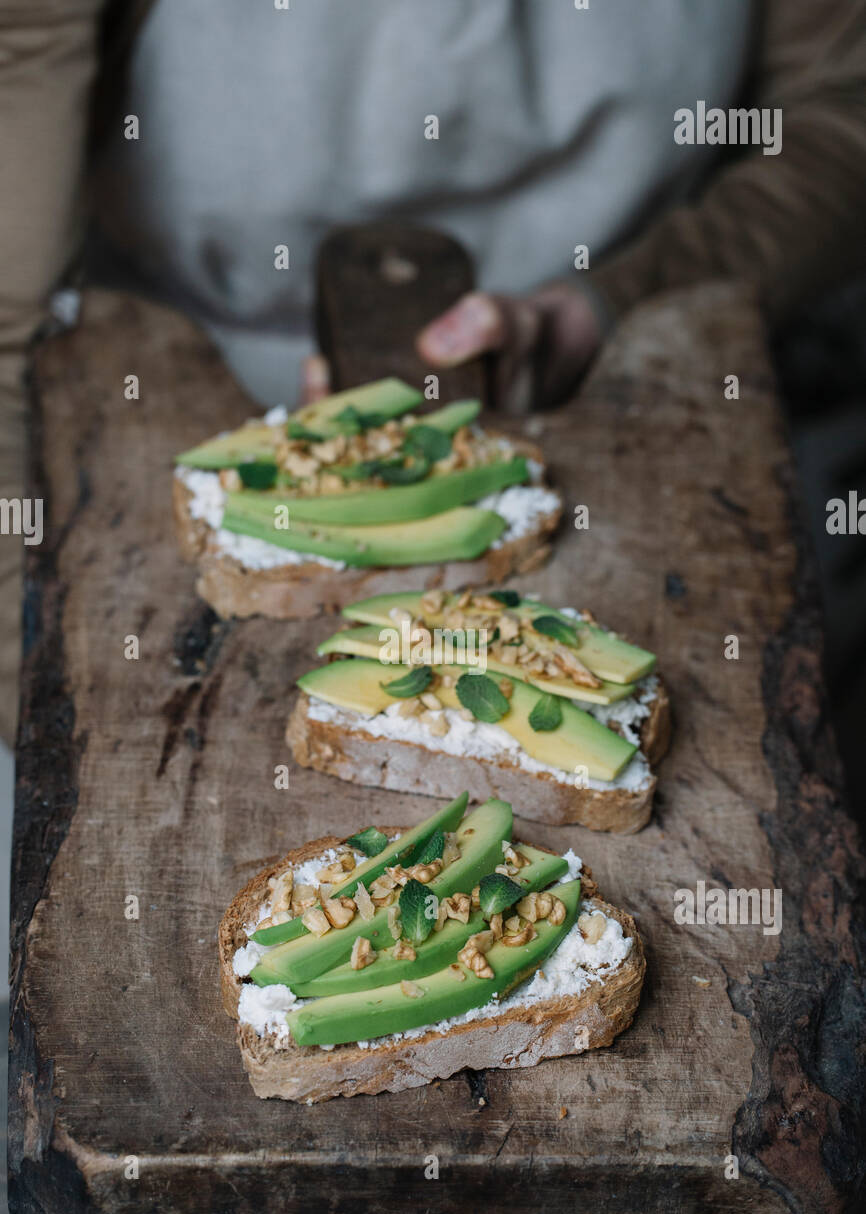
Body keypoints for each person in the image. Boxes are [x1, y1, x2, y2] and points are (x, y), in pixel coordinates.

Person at [1, 0, 866, 746]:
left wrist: (613, 306)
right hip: (156, 388)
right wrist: (29, 682)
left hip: (653, 377)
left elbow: (842, 109)